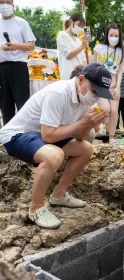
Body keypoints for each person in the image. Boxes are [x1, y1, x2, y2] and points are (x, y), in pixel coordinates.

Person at [0, 63, 113, 229]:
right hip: (19, 135)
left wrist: (89, 124)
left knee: (86, 149)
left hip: (42, 135)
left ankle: (58, 195)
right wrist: (83, 122)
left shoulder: (84, 99)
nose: (95, 97)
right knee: (55, 155)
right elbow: (48, 135)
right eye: (94, 91)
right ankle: (36, 208)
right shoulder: (58, 93)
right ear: (81, 79)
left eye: (99, 94)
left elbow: (81, 138)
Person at [0, 0, 36, 125]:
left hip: (18, 66)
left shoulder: (21, 23)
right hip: (1, 67)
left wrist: (15, 46)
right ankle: (8, 138)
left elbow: (31, 45)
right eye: (1, 2)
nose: (5, 5)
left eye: (8, 2)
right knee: (5, 105)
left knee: (22, 103)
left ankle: (25, 134)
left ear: (13, 5)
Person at [92, 23, 124, 144]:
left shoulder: (121, 51)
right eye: (111, 34)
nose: (113, 37)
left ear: (119, 36)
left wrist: (118, 87)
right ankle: (98, 128)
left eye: (116, 35)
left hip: (114, 84)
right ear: (107, 35)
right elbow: (93, 66)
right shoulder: (99, 48)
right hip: (101, 84)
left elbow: (121, 71)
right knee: (105, 108)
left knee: (114, 111)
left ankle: (111, 137)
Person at [57, 13, 88, 80]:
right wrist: (82, 46)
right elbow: (68, 55)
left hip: (80, 76)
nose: (80, 28)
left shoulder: (78, 40)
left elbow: (83, 59)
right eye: (79, 25)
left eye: (82, 27)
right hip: (68, 74)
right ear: (71, 22)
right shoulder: (62, 35)